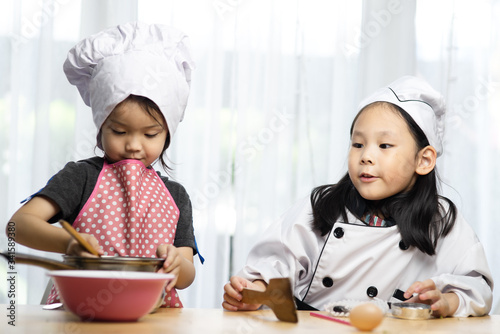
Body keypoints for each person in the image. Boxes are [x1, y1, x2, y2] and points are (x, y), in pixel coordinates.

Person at [222, 76, 494, 317]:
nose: (366, 156)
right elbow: (277, 262)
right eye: (358, 144)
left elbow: (478, 288)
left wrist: (448, 301)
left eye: (384, 145)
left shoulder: (441, 222)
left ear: (423, 160)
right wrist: (256, 289)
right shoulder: (322, 207)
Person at [7, 22, 198, 308]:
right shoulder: (81, 177)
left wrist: (176, 263)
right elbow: (17, 225)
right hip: (81, 312)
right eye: (119, 131)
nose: (134, 144)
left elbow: (187, 273)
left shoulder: (176, 196)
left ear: (168, 133)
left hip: (155, 318)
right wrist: (68, 243)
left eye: (150, 134)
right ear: (100, 128)